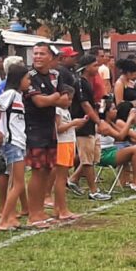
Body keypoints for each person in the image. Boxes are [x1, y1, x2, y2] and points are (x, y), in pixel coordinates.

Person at [24, 42, 63, 228]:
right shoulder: (30, 77)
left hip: (49, 129)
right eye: (35, 53)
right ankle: (33, 214)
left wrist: (53, 99)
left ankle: (39, 211)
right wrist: (54, 98)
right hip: (34, 129)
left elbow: (66, 100)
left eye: (42, 53)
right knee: (38, 171)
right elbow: (39, 101)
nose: (38, 57)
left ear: (50, 57)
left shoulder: (53, 77)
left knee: (48, 170)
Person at [0, 61, 29, 232]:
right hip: (12, 143)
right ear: (19, 79)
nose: (29, 82)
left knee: (15, 182)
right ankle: (4, 219)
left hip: (19, 142)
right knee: (19, 184)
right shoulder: (11, 94)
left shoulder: (19, 96)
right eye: (27, 78)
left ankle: (10, 217)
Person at [97, 100, 136, 194]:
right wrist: (129, 120)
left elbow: (123, 135)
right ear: (107, 112)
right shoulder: (103, 124)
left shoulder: (111, 123)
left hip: (112, 150)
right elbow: (121, 136)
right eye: (113, 109)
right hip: (103, 154)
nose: (116, 111)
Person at [72, 54, 109, 201]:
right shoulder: (80, 83)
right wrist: (99, 122)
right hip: (83, 124)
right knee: (87, 158)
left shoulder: (88, 82)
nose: (97, 68)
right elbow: (85, 104)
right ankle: (94, 190)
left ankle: (73, 179)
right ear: (86, 67)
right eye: (94, 65)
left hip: (90, 123)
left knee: (93, 156)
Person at [52, 85, 85, 221]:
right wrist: (72, 123)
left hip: (69, 143)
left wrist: (77, 124)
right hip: (62, 144)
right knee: (61, 178)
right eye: (68, 99)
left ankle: (57, 208)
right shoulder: (58, 110)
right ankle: (62, 209)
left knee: (62, 177)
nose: (70, 102)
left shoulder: (65, 110)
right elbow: (58, 128)